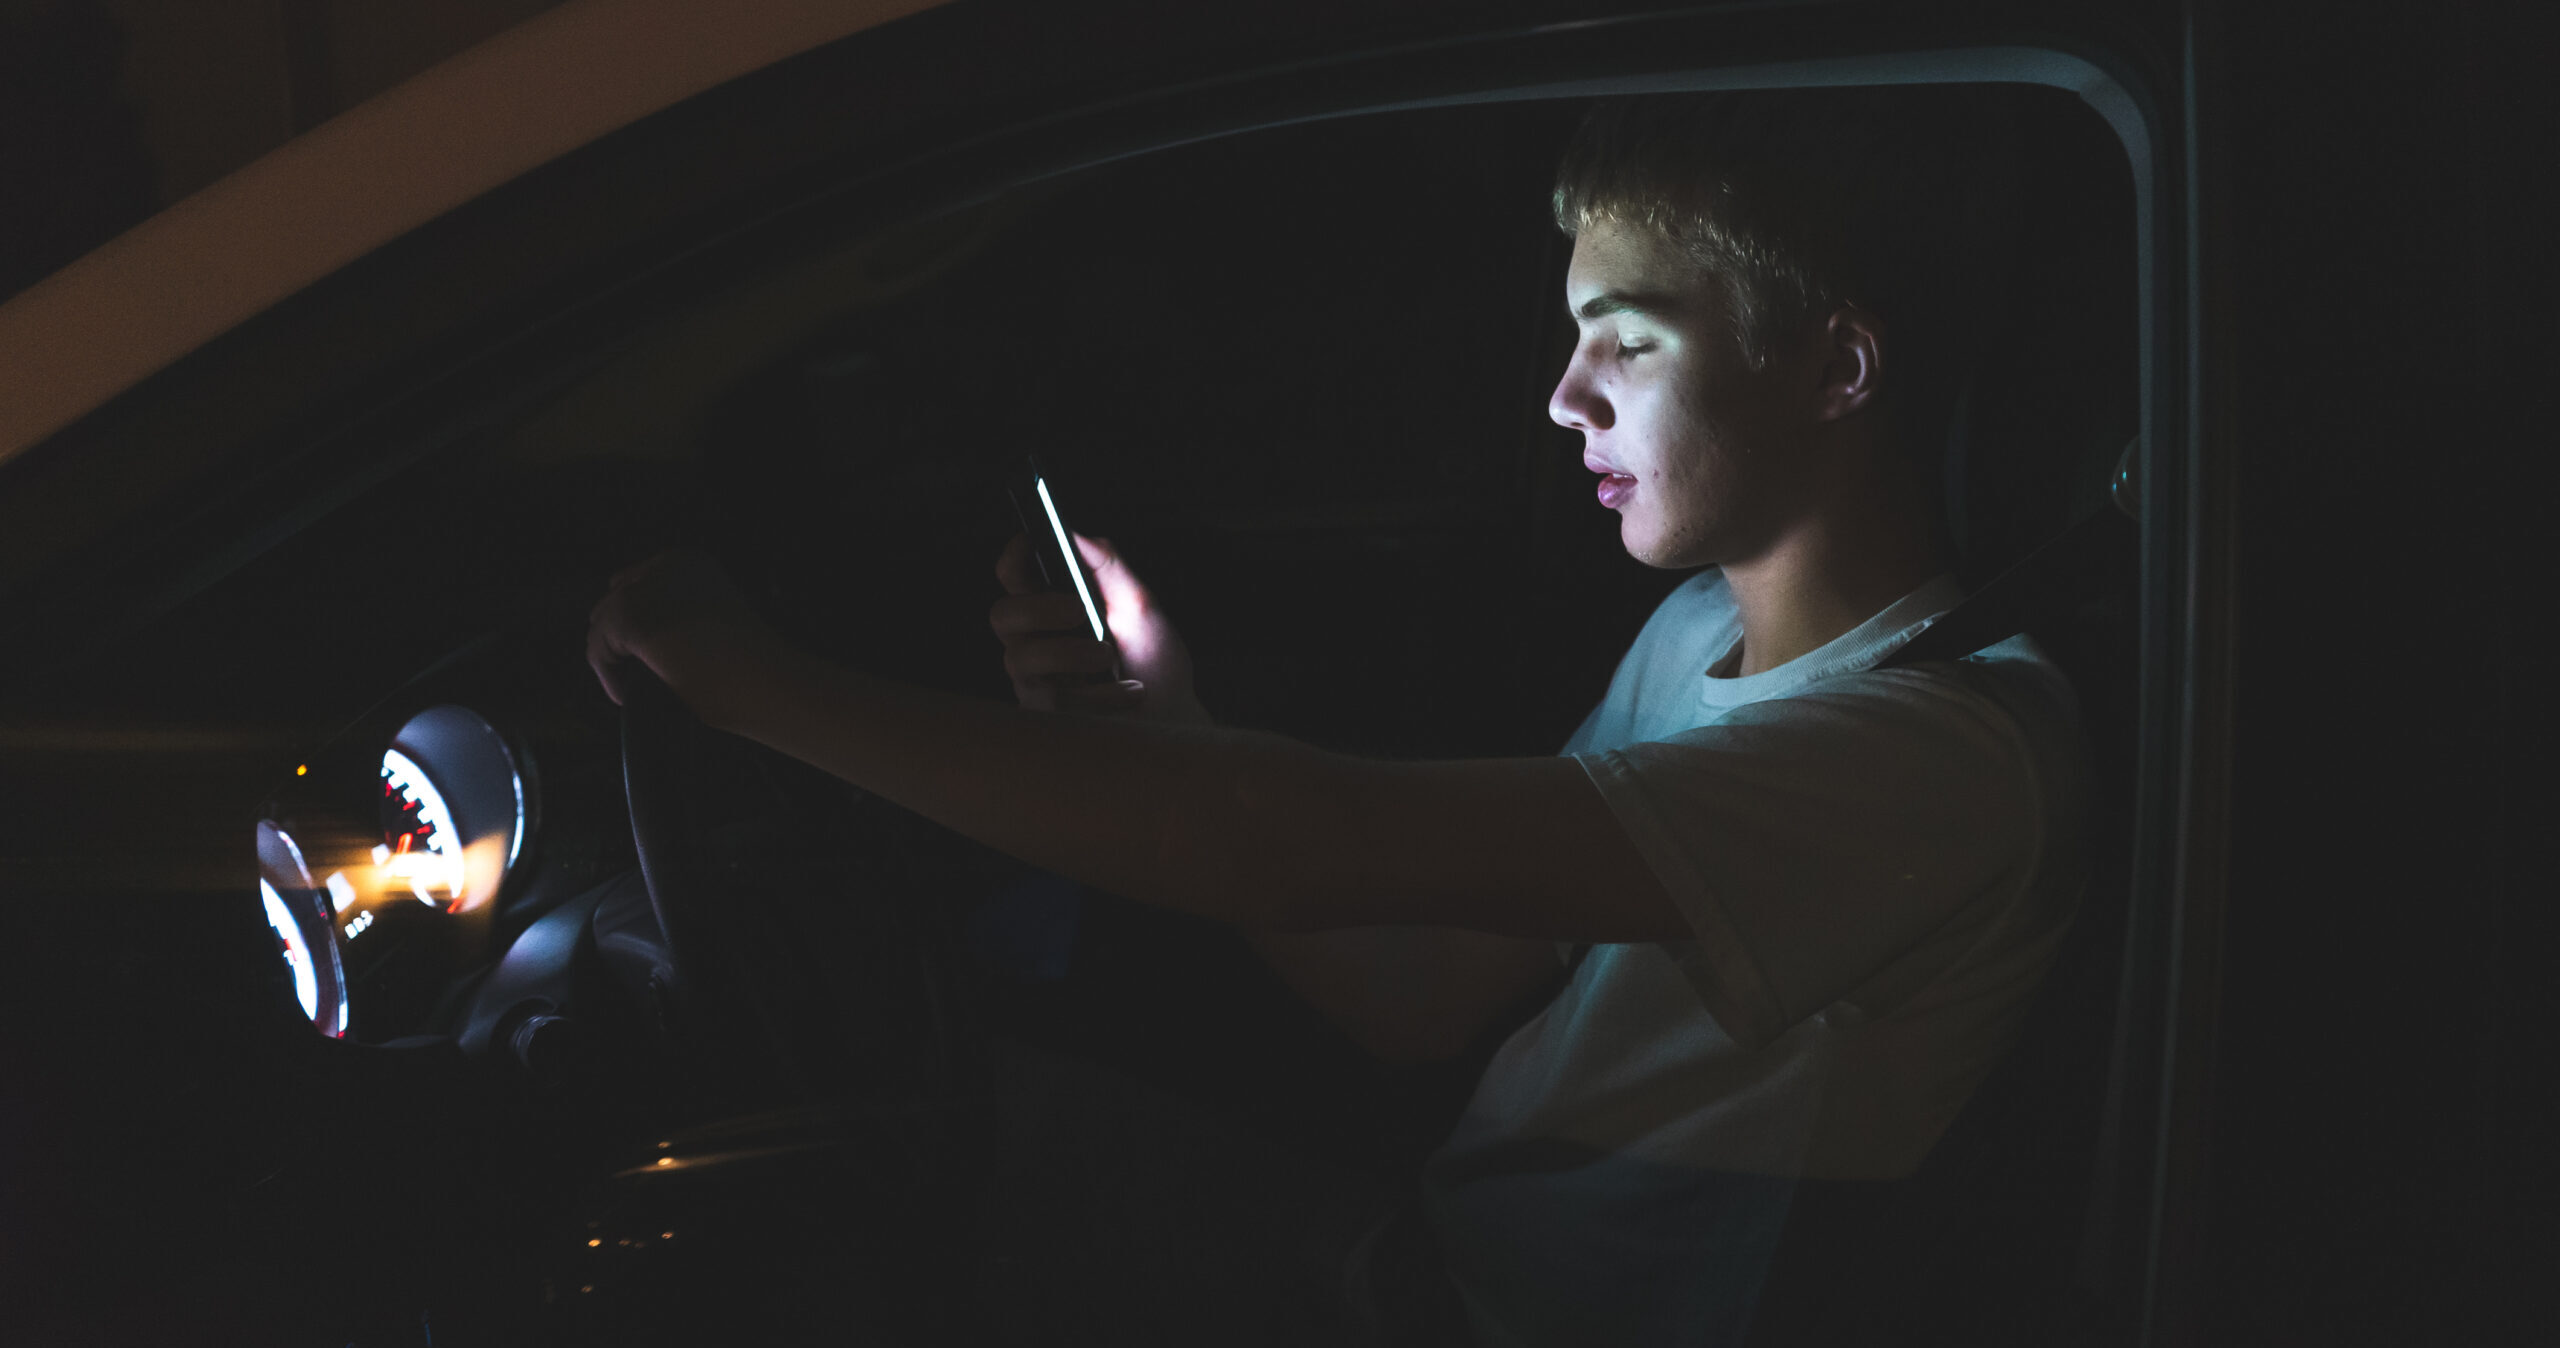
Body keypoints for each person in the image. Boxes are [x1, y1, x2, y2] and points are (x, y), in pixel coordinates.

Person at [587, 89, 2089, 1346]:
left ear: (1837, 364)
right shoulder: (1702, 630)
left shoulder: (1944, 756)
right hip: (1431, 1263)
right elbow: (1417, 991)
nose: (1566, 396)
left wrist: (758, 687)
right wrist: (1165, 723)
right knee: (939, 1138)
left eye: (1626, 340)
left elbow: (1284, 846)